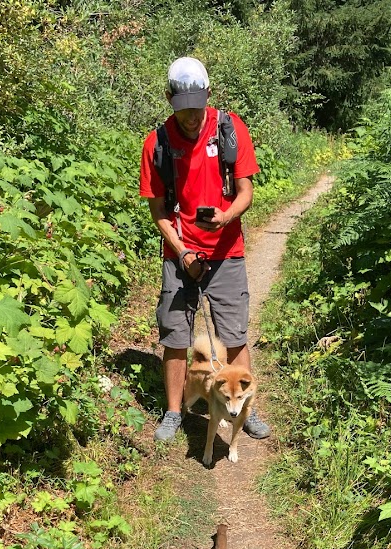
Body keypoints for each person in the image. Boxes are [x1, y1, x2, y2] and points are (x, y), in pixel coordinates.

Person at [139, 56, 271, 443]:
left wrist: (226, 217)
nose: (192, 117)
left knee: (234, 335)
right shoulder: (157, 143)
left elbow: (246, 191)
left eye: (197, 107)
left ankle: (246, 410)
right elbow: (159, 211)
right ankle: (174, 412)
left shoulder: (229, 129)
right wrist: (183, 252)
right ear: (169, 100)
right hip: (179, 254)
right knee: (175, 337)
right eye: (183, 109)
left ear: (208, 95)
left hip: (227, 252)